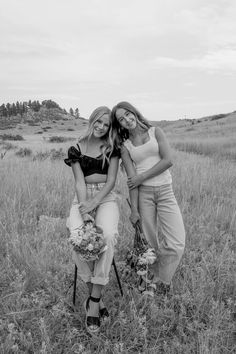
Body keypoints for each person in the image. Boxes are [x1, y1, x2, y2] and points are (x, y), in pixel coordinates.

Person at [111, 101, 185, 295]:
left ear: (134, 112)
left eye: (128, 114)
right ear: (119, 124)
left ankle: (159, 278)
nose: (127, 119)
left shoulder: (155, 132)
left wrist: (141, 176)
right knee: (149, 245)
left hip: (165, 191)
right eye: (121, 119)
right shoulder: (125, 146)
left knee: (177, 243)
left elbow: (168, 161)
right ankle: (147, 282)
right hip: (144, 195)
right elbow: (131, 181)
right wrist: (134, 210)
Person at [64, 106, 120, 334]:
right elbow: (79, 182)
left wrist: (95, 203)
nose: (101, 127)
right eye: (98, 122)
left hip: (105, 197)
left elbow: (111, 181)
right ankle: (95, 295)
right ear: (92, 120)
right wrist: (84, 210)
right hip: (83, 197)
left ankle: (94, 302)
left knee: (106, 236)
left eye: (106, 125)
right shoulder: (75, 148)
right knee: (77, 237)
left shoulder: (112, 147)